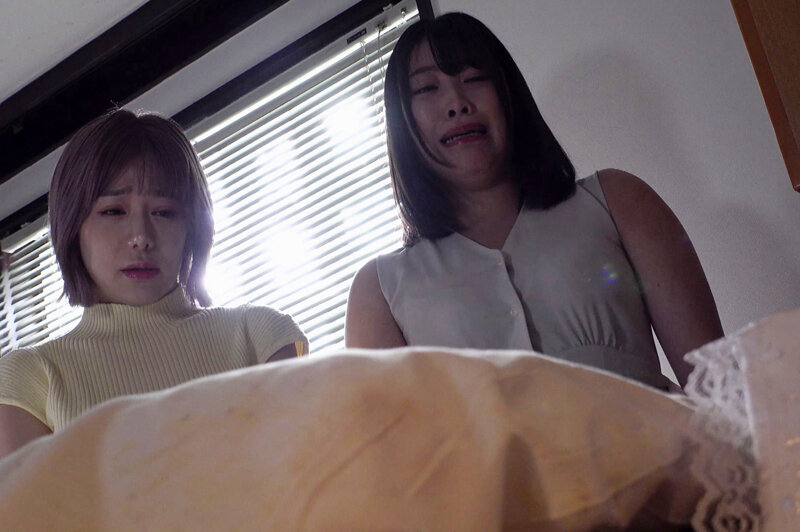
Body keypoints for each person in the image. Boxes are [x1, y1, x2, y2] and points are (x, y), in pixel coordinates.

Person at [345, 13, 723, 389]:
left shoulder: (618, 202)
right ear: (401, 120)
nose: (457, 103)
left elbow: (722, 391)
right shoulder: (379, 292)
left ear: (509, 93)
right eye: (427, 88)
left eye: (474, 78)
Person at [0, 109, 307, 460]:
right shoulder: (30, 379)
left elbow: (304, 475)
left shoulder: (260, 335)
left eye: (164, 211)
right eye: (114, 211)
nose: (141, 237)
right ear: (72, 227)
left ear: (192, 227)